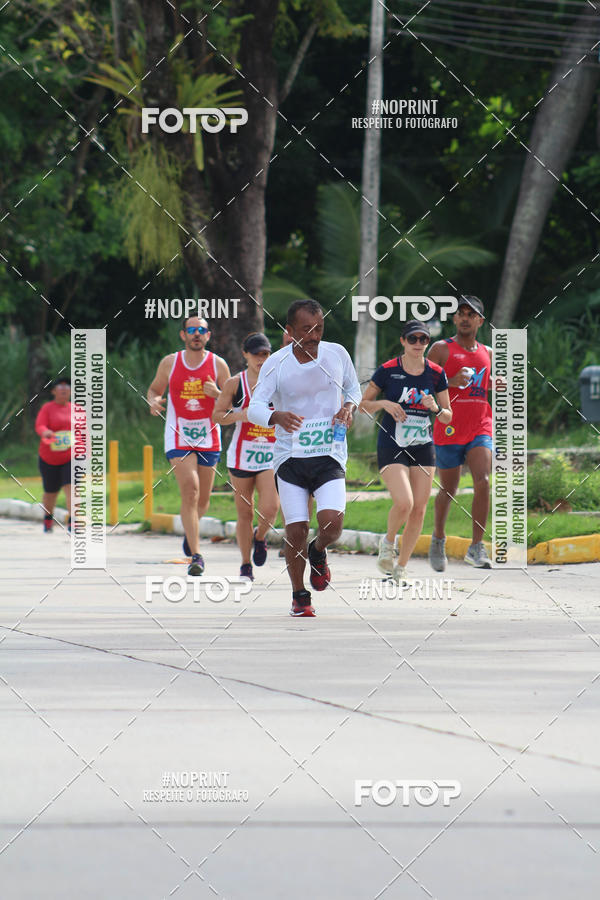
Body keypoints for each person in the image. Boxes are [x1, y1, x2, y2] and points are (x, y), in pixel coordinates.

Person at [247, 299, 362, 617]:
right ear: (289, 331)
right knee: (295, 530)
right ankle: (299, 594)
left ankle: (319, 549)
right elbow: (255, 406)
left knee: (332, 525)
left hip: (329, 454)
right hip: (291, 458)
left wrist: (349, 408)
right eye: (306, 330)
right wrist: (275, 417)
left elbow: (354, 389)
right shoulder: (277, 363)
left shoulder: (336, 353)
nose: (314, 336)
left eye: (319, 328)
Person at [360, 321, 452, 584]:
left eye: (423, 339)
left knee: (419, 510)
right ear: (403, 341)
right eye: (413, 339)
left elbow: (447, 417)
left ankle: (400, 567)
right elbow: (362, 405)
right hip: (392, 443)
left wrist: (434, 408)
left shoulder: (435, 373)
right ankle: (388, 543)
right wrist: (385, 404)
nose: (419, 344)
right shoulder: (388, 370)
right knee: (404, 502)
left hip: (422, 445)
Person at [147, 316, 230, 576]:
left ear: (208, 335)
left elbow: (231, 402)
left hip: (208, 436)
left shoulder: (218, 364)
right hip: (178, 434)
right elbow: (153, 390)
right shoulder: (170, 362)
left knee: (203, 499)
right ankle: (197, 555)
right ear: (183, 335)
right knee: (191, 490)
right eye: (191, 330)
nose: (197, 334)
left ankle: (190, 530)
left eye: (201, 330)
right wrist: (154, 401)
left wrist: (216, 393)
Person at [427, 295, 493, 569]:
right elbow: (420, 387)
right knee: (449, 488)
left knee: (484, 480)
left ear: (480, 320)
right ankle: (438, 538)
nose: (465, 318)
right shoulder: (441, 349)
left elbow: (485, 387)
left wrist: (497, 386)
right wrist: (449, 381)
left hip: (480, 426)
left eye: (471, 314)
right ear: (454, 319)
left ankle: (476, 547)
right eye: (461, 313)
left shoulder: (488, 352)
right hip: (449, 427)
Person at [212, 333, 279, 581]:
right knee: (245, 513)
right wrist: (241, 415)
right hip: (241, 456)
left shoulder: (278, 382)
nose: (261, 359)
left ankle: (260, 537)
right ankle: (245, 564)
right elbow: (217, 415)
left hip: (270, 456)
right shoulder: (234, 383)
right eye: (256, 354)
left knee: (271, 508)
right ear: (245, 355)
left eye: (265, 354)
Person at [34, 376, 73, 533]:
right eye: (60, 386)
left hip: (71, 456)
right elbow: (40, 425)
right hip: (49, 458)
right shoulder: (47, 408)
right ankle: (48, 519)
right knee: (51, 493)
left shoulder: (77, 410)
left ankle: (73, 523)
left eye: (67, 386)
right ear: (53, 391)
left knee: (72, 488)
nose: (64, 388)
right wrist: (46, 431)